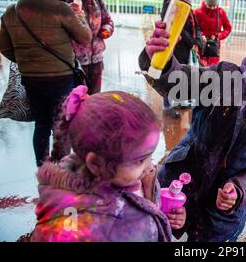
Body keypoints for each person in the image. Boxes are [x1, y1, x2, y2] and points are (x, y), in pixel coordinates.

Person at [139, 23, 246, 241]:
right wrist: (158, 60)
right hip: (180, 183)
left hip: (222, 213)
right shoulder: (223, 77)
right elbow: (177, 82)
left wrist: (239, 190)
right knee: (157, 230)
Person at [31, 86, 186, 241]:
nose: (150, 167)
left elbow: (145, 204)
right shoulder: (95, 226)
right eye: (140, 160)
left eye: (150, 156)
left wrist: (161, 214)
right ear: (96, 164)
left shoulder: (132, 175)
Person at [0, 0, 92, 167]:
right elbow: (85, 38)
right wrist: (80, 17)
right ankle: (61, 169)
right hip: (61, 79)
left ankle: (42, 168)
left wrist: (29, 60)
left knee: (41, 124)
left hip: (31, 80)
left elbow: (5, 49)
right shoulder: (61, 9)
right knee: (62, 126)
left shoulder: (11, 12)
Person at [64, 0, 114, 95]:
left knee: (95, 98)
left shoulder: (96, 0)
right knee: (77, 101)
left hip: (96, 60)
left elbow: (108, 21)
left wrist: (106, 31)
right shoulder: (62, 3)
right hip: (74, 64)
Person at [160, 0, 202, 118]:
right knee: (172, 73)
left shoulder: (186, 4)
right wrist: (192, 43)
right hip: (175, 45)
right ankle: (168, 105)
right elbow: (177, 28)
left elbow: (195, 26)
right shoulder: (171, 4)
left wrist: (197, 41)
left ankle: (178, 101)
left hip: (185, 46)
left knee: (181, 73)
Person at [194, 0, 232, 67]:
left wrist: (218, 35)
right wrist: (201, 35)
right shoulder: (197, 12)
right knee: (200, 68)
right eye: (210, 5)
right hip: (201, 46)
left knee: (213, 70)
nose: (212, 8)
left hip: (214, 47)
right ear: (205, 2)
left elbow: (228, 28)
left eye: (214, 5)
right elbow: (193, 27)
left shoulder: (221, 13)